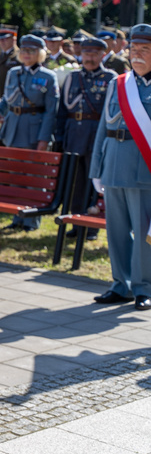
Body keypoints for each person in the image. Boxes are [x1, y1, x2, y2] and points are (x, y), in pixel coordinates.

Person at [89, 24, 151, 311]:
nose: (137, 56)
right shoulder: (119, 83)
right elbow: (104, 127)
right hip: (113, 164)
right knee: (115, 230)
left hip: (143, 169)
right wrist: (96, 169)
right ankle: (120, 285)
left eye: (145, 51)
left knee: (143, 233)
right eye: (134, 50)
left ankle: (143, 287)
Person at [0, 34, 60, 231]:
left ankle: (31, 220)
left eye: (31, 51)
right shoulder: (14, 73)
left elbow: (50, 112)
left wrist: (43, 139)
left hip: (34, 130)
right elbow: (7, 98)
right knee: (15, 175)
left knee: (33, 177)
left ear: (39, 54)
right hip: (13, 127)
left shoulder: (48, 76)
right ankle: (17, 217)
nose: (26, 54)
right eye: (23, 50)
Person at [54, 37, 116, 242]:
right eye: (86, 53)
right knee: (75, 183)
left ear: (102, 55)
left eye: (94, 54)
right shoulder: (72, 77)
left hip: (96, 137)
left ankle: (90, 227)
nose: (89, 57)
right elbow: (62, 111)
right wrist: (60, 137)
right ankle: (76, 222)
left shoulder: (110, 78)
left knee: (93, 184)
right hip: (74, 135)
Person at [0, 24, 20, 100]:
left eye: (5, 39)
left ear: (13, 39)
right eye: (0, 39)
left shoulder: (19, 55)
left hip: (14, 97)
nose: (2, 41)